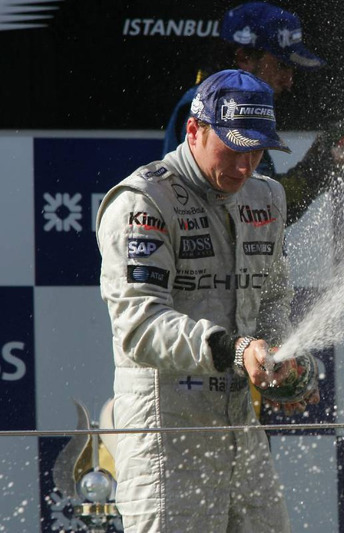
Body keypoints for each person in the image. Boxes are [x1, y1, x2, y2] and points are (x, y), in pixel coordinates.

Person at [97, 69, 318, 532]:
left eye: (257, 151)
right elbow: (140, 326)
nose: (245, 166)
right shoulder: (144, 200)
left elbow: (273, 299)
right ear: (194, 130)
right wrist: (236, 351)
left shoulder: (267, 196)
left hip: (240, 428)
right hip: (165, 436)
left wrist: (282, 364)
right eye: (234, 149)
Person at [163, 1, 344, 227]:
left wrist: (323, 157)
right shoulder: (213, 107)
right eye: (281, 66)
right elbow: (259, 209)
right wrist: (325, 161)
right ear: (244, 57)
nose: (289, 81)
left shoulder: (223, 104)